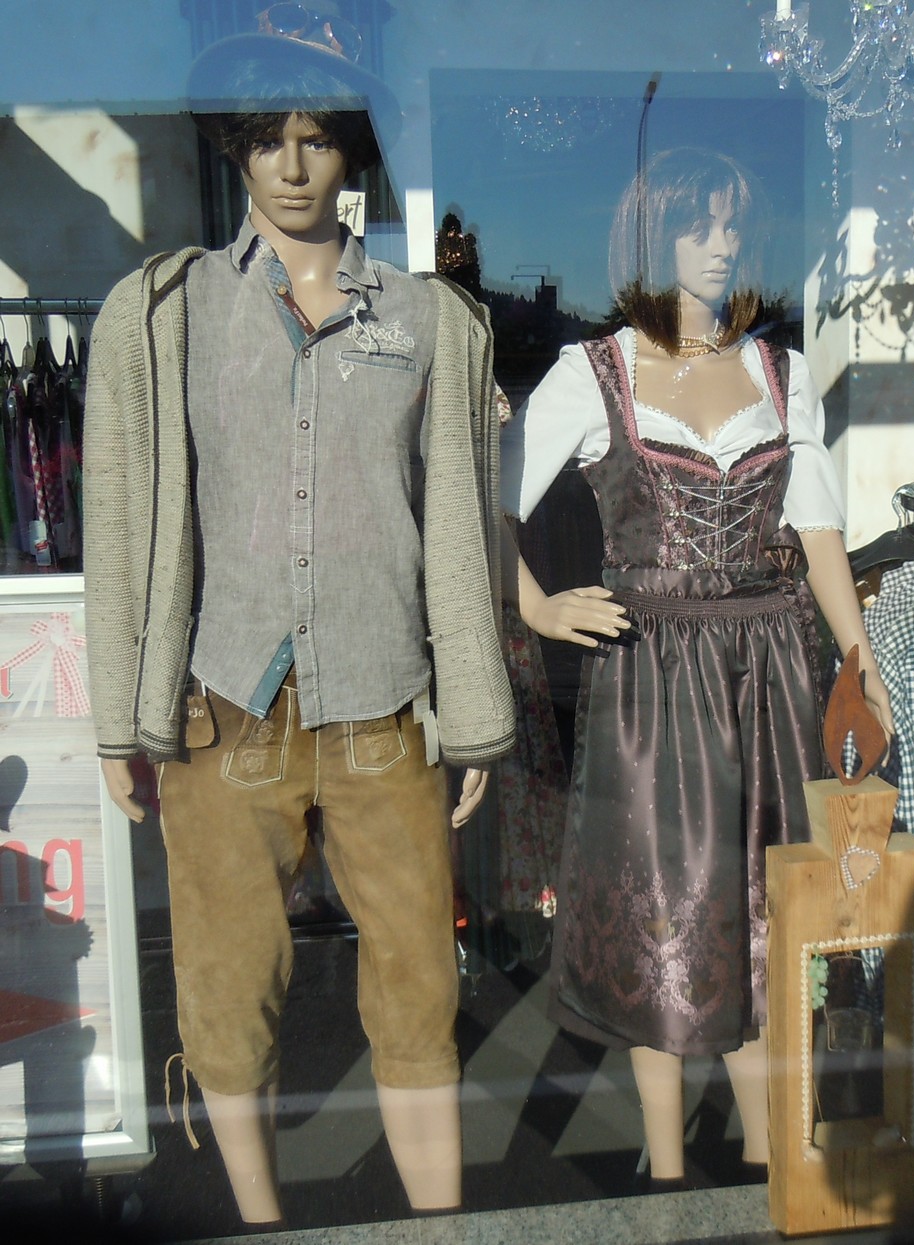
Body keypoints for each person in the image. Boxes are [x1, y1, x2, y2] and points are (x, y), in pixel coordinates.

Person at [83, 19, 514, 1228]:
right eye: (267, 137)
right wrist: (117, 717)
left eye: (316, 138)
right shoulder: (166, 312)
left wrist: (473, 710)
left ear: (350, 150)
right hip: (226, 707)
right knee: (229, 992)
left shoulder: (427, 320)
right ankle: (261, 1224)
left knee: (419, 992)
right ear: (235, 145)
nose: (289, 164)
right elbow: (121, 518)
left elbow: (457, 525)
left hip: (383, 706)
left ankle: (440, 1226)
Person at [500, 148, 894, 1184]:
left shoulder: (779, 374)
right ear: (650, 238)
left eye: (731, 225)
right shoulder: (597, 373)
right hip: (652, 679)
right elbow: (485, 497)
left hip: (773, 669)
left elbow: (817, 534)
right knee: (663, 912)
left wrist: (859, 658)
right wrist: (536, 603)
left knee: (766, 913)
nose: (721, 245)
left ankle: (770, 1165)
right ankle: (667, 1171)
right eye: (696, 224)